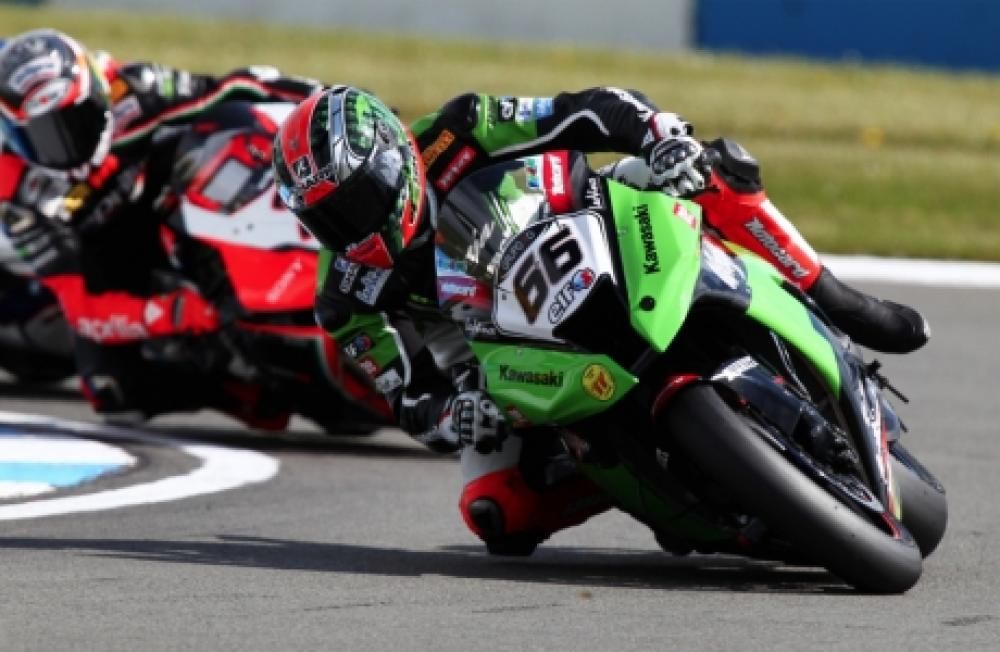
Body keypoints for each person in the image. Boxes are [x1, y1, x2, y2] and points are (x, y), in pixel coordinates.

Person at [272, 85, 930, 552]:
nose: (349, 228)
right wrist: (450, 414)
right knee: (496, 511)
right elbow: (406, 395)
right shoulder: (345, 297)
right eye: (326, 220)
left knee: (714, 167)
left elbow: (588, 109)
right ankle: (658, 487)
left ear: (392, 158)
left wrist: (659, 135)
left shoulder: (457, 130)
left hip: (578, 226)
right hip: (498, 350)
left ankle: (836, 299)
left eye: (355, 201)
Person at [0, 29, 323, 425]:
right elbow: (81, 307)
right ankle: (249, 391)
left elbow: (238, 86)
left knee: (225, 128)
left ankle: (310, 238)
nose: (67, 142)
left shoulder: (137, 92)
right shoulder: (16, 193)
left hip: (183, 193)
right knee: (112, 391)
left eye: (76, 119)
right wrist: (175, 313)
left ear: (97, 94)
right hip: (110, 248)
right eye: (44, 134)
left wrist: (325, 102)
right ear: (16, 133)